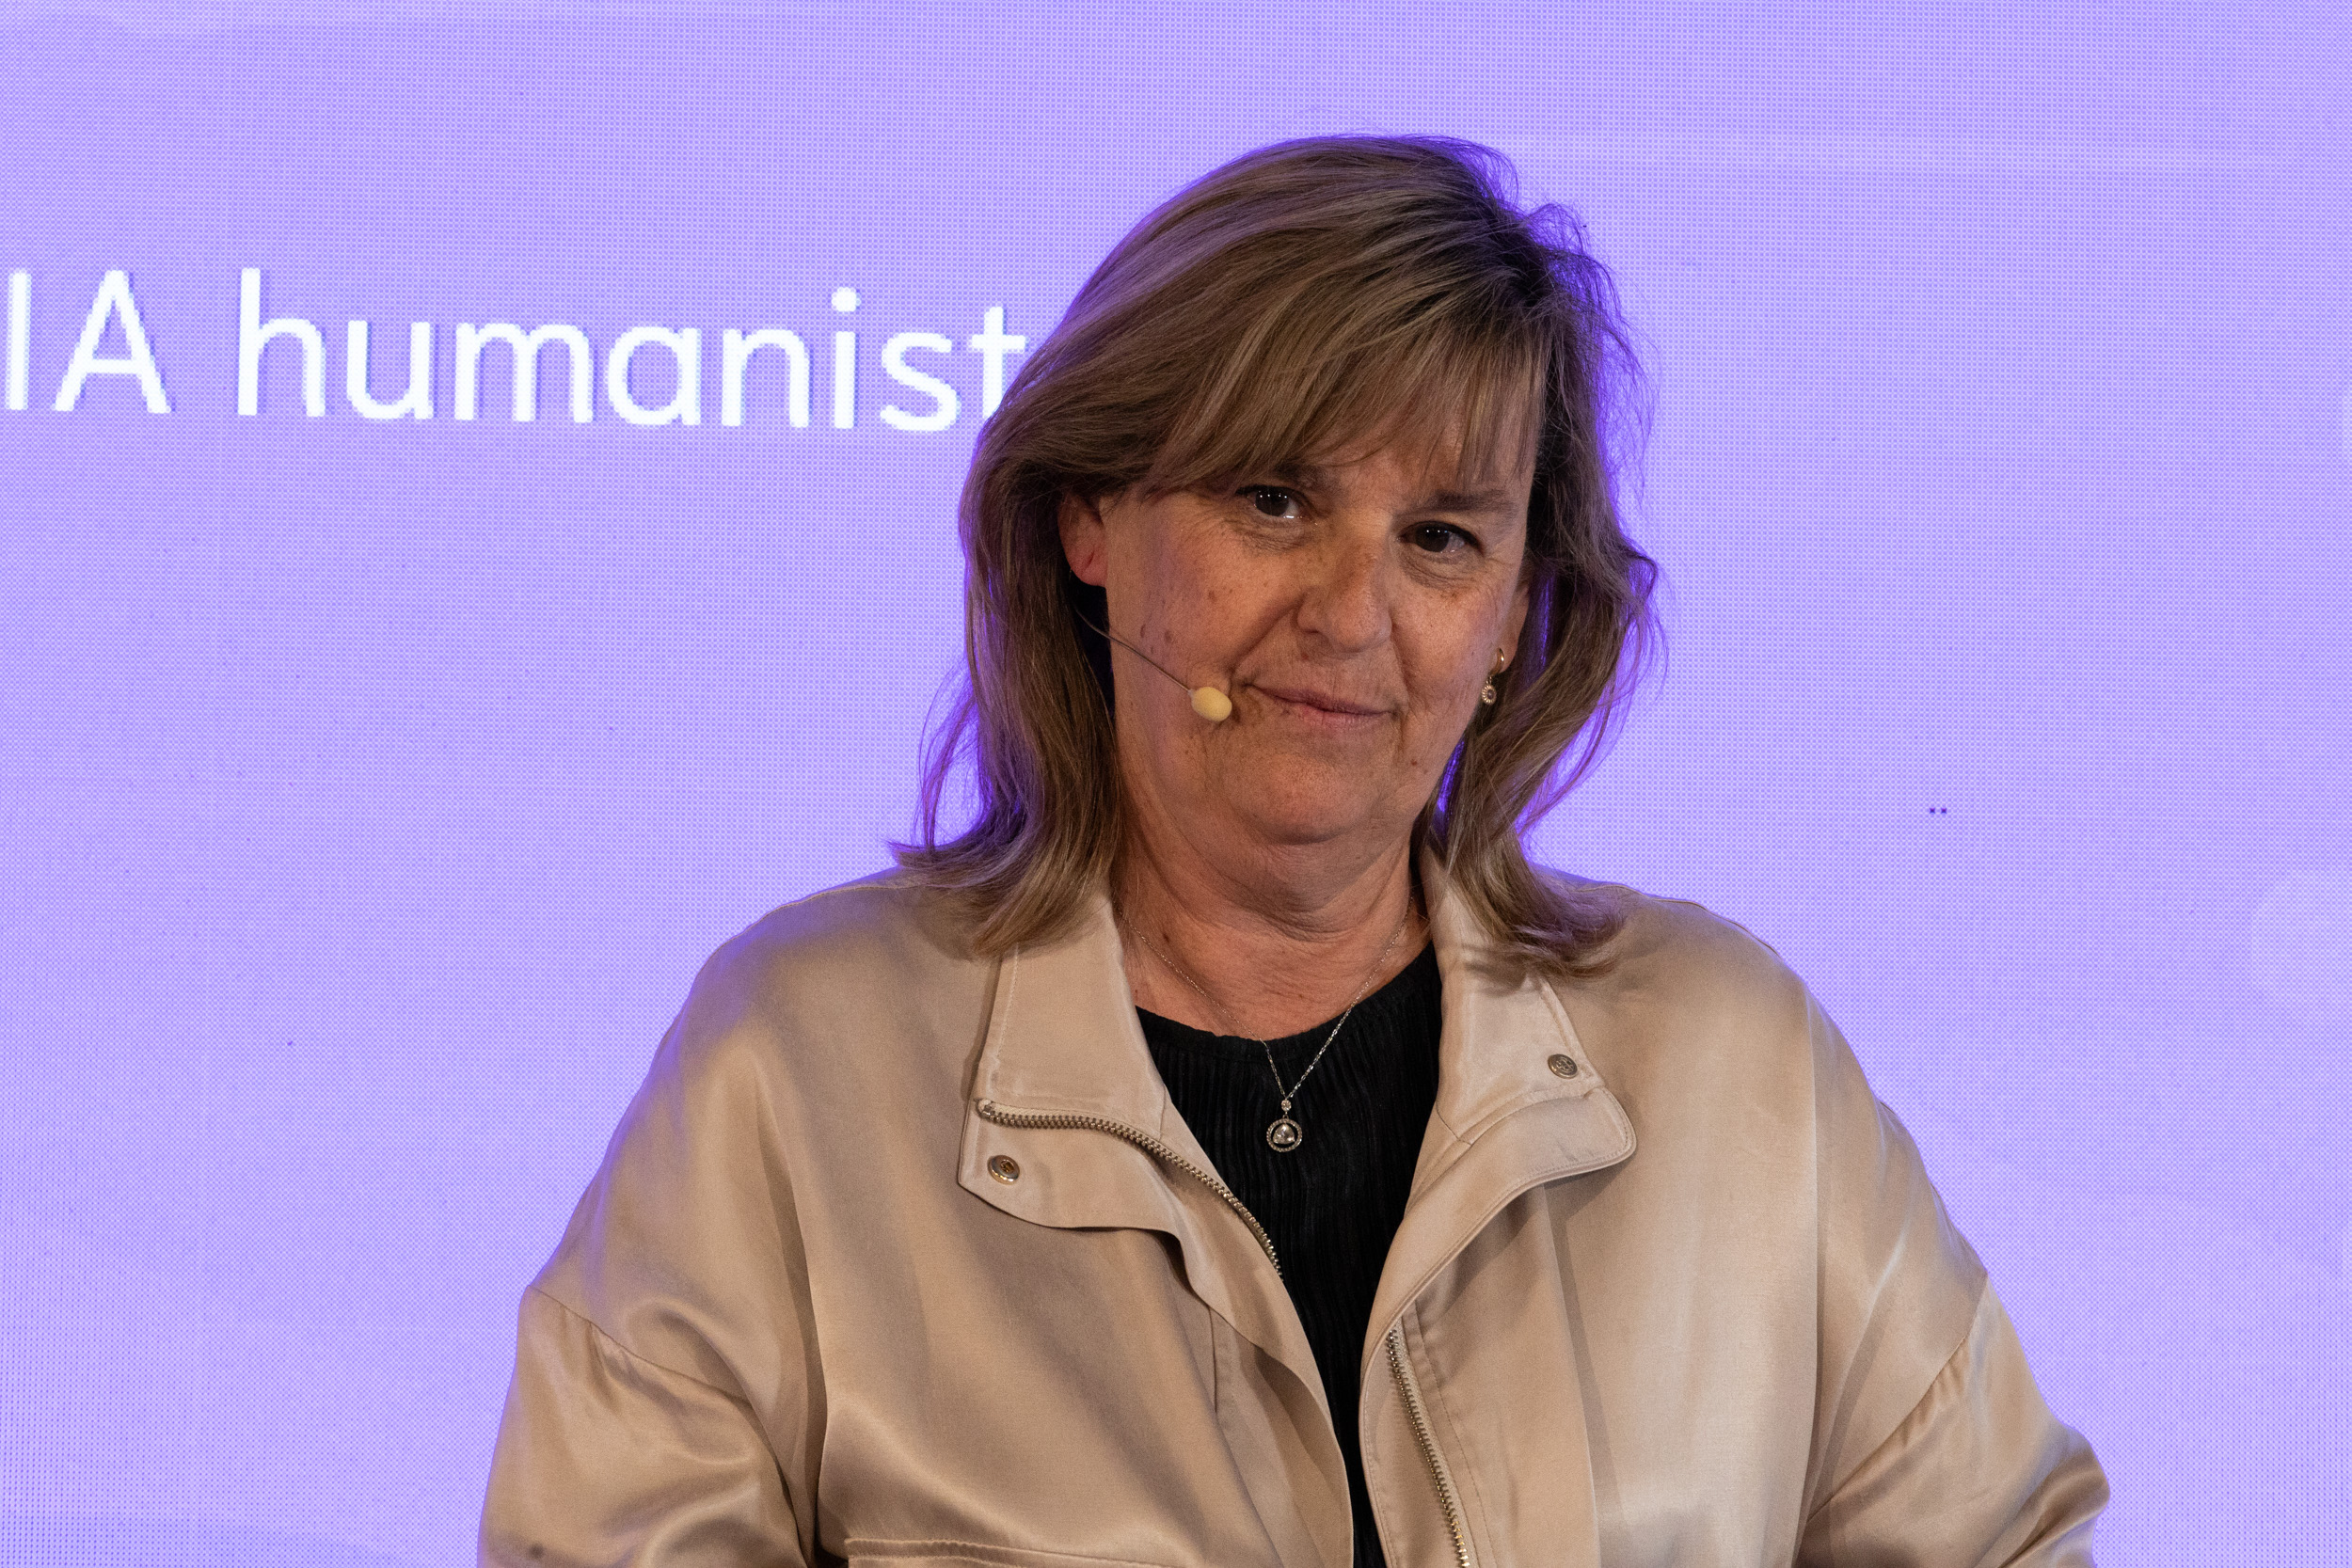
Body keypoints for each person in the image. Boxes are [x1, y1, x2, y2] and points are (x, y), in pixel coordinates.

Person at [480, 135, 2107, 1567]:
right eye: (1273, 501)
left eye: (1442, 538)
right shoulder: (795, 1060)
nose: (1351, 617)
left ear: (1516, 616)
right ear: (1088, 517)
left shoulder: (1734, 1059)